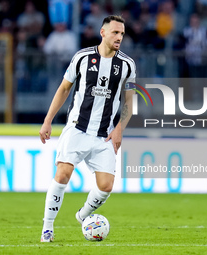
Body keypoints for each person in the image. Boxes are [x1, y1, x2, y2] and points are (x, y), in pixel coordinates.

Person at [39, 15, 136, 242]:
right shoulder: (82, 57)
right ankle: (48, 227)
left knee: (106, 187)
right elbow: (64, 88)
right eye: (115, 32)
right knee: (63, 174)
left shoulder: (127, 65)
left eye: (122, 33)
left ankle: (83, 215)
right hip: (77, 128)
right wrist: (48, 120)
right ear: (103, 33)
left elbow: (130, 102)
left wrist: (120, 127)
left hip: (104, 135)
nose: (119, 37)